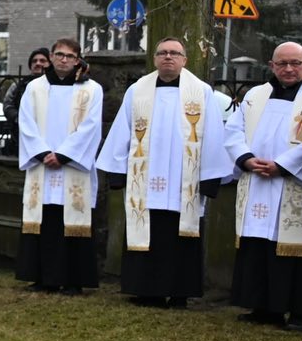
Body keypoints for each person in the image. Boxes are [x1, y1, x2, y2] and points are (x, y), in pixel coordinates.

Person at [96, 38, 233, 308]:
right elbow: (122, 130)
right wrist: (117, 172)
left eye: (174, 53)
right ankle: (146, 290)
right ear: (155, 59)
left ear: (185, 59)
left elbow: (214, 135)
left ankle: (180, 292)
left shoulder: (202, 92)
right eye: (162, 53)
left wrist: (210, 177)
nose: (168, 57)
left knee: (182, 236)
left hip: (186, 184)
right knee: (147, 233)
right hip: (144, 183)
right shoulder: (138, 91)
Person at [224, 42, 302, 330]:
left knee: (297, 250)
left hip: (295, 184)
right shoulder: (254, 95)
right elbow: (233, 131)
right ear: (272, 65)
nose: (288, 68)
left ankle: (300, 313)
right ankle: (264, 308)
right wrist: (247, 159)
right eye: (282, 63)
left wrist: (282, 165)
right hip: (258, 182)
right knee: (259, 245)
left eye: (295, 63)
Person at [14, 39, 103, 294]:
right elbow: (26, 123)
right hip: (41, 166)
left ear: (77, 60)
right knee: (45, 219)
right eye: (59, 55)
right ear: (51, 57)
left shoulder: (91, 90)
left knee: (72, 220)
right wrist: (43, 153)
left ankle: (73, 280)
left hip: (73, 166)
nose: (64, 60)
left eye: (70, 56)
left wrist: (63, 155)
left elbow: (92, 126)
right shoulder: (34, 88)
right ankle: (42, 277)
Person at [2, 48, 52, 132]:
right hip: (21, 132)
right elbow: (8, 105)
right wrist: (18, 118)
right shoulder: (18, 85)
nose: (38, 63)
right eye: (34, 61)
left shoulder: (55, 85)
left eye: (42, 61)